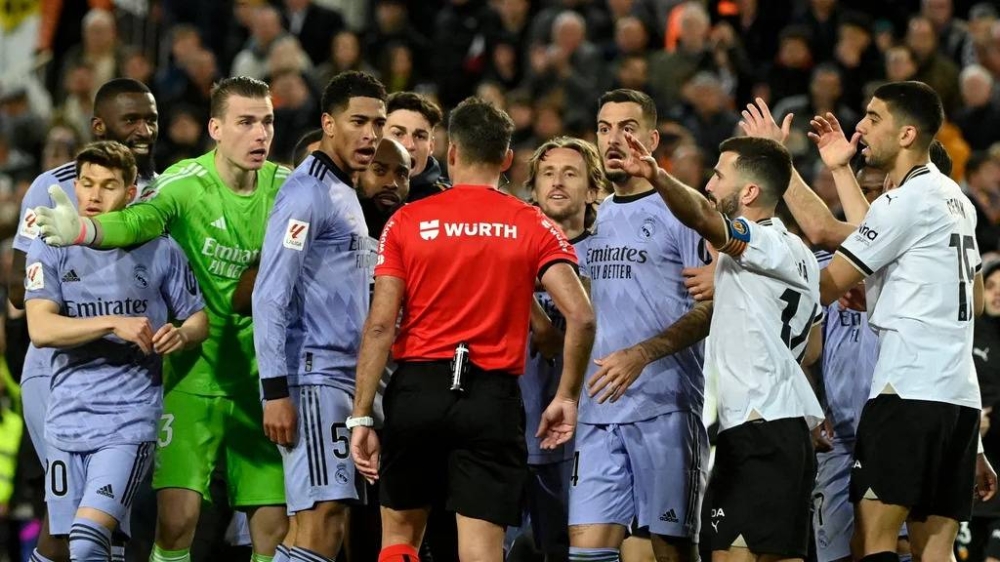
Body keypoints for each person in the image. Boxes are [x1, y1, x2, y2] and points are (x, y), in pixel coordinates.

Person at [32, 76, 292, 562]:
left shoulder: (288, 188)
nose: (260, 135)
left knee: (274, 528)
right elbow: (135, 221)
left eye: (268, 122)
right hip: (190, 377)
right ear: (215, 127)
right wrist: (85, 229)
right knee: (176, 523)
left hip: (257, 378)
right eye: (246, 122)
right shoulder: (182, 185)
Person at [755, 81, 997, 560]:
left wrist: (747, 263)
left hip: (904, 391)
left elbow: (827, 279)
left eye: (872, 117)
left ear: (906, 134)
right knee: (935, 548)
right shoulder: (958, 200)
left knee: (872, 537)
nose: (861, 127)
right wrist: (897, 292)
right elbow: (974, 303)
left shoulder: (902, 201)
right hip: (958, 399)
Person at [349, 97, 596, 562]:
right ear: (506, 159)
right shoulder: (532, 223)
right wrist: (566, 396)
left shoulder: (407, 221)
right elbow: (581, 315)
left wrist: (362, 413)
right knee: (481, 549)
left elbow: (381, 325)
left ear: (452, 153)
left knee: (399, 536)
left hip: (417, 390)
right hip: (491, 396)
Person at [608, 131, 825, 559]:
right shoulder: (799, 252)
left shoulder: (759, 241)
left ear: (749, 191)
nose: (710, 185)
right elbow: (812, 346)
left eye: (719, 176)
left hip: (759, 427)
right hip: (779, 427)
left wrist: (657, 176)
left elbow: (706, 219)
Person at [24, 141, 208, 562]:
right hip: (65, 419)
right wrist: (111, 323)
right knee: (60, 548)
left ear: (129, 194)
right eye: (86, 183)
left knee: (88, 538)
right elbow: (41, 328)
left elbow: (198, 319)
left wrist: (181, 335)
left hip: (128, 420)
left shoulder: (160, 249)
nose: (93, 195)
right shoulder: (50, 246)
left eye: (108, 186)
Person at [11, 77, 160, 562]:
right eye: (130, 119)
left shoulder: (168, 192)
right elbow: (19, 291)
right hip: (57, 369)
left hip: (135, 374)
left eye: (151, 119)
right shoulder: (52, 187)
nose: (144, 129)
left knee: (113, 523)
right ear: (99, 126)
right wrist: (81, 260)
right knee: (67, 526)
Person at [569, 89, 711, 562]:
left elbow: (709, 310)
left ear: (651, 138)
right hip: (597, 409)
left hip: (665, 407)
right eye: (604, 128)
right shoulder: (594, 222)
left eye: (627, 128)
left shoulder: (682, 213)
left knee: (670, 550)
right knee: (586, 552)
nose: (613, 139)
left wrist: (642, 354)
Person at [253, 70, 386, 562]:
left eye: (378, 122)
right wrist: (276, 391)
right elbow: (269, 295)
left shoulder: (344, 192)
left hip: (341, 378)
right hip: (313, 376)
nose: (370, 134)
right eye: (358, 121)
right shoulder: (305, 192)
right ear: (328, 124)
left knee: (320, 521)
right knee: (322, 519)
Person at [506, 136, 604, 562]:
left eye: (570, 173)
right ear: (533, 188)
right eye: (547, 173)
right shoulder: (508, 246)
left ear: (594, 190)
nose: (557, 182)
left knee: (563, 552)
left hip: (579, 438)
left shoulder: (609, 254)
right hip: (508, 429)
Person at [384, 91, 449, 201]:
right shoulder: (357, 192)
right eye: (398, 134)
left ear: (431, 147)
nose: (409, 145)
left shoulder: (447, 200)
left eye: (420, 136)